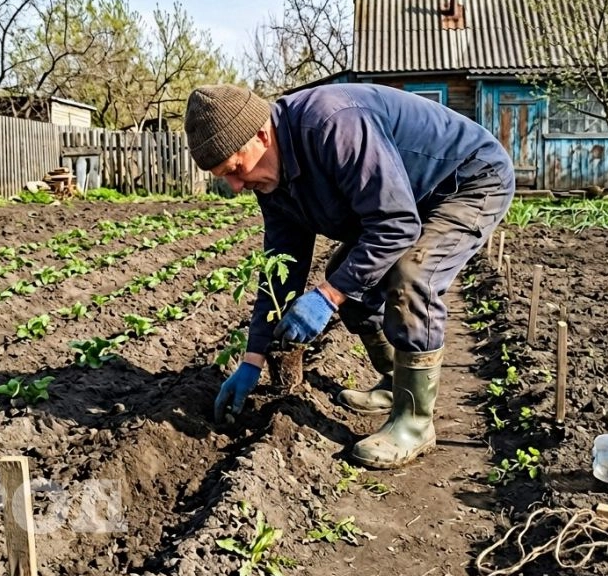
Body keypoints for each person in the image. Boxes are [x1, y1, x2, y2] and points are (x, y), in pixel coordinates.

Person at [184, 83, 514, 470]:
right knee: (347, 278)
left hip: (467, 178)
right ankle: (395, 382)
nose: (237, 186)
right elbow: (282, 264)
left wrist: (327, 297)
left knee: (410, 276)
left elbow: (395, 224)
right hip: (408, 195)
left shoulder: (333, 125)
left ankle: (414, 423)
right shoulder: (270, 179)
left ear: (260, 135)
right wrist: (253, 358)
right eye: (225, 177)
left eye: (235, 169)